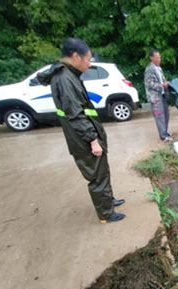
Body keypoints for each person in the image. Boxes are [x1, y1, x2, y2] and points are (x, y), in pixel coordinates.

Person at [38, 38, 125, 223]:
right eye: (88, 59)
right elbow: (75, 115)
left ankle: (108, 201)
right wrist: (93, 139)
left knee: (102, 170)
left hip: (85, 133)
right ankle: (106, 214)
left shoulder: (69, 74)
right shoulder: (64, 79)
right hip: (83, 138)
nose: (89, 63)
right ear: (75, 56)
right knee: (97, 175)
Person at [144, 49, 171, 142]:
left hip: (163, 95)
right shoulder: (149, 69)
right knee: (159, 116)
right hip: (155, 97)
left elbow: (162, 79)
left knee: (166, 114)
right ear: (152, 58)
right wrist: (161, 85)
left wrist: (166, 83)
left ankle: (165, 132)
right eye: (157, 57)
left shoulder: (159, 68)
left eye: (159, 57)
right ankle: (163, 136)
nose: (159, 59)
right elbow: (149, 84)